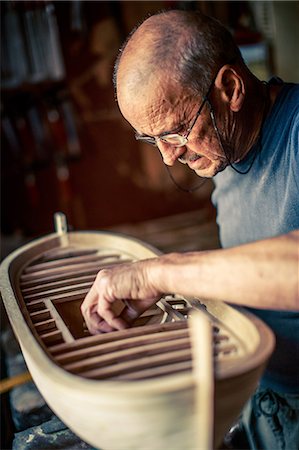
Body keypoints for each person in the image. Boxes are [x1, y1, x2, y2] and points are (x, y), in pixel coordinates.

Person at [81, 9, 299, 450]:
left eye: (177, 131)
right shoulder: (225, 147)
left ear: (231, 88)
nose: (167, 157)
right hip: (262, 401)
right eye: (151, 138)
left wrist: (157, 273)